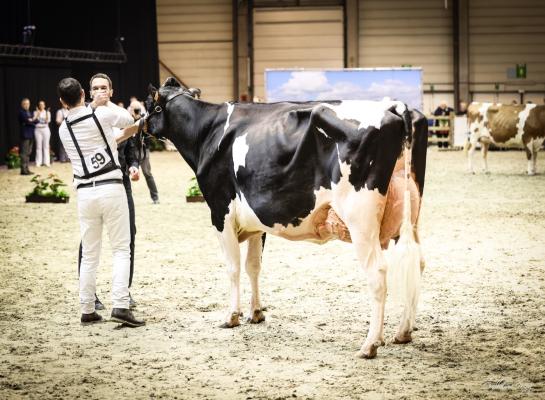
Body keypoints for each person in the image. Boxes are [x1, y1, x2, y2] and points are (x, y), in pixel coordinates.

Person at [57, 77, 144, 327]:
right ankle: (120, 305)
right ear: (84, 94)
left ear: (62, 101)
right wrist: (105, 104)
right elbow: (131, 120)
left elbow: (107, 141)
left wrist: (96, 106)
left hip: (84, 193)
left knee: (90, 255)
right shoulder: (101, 115)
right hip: (111, 188)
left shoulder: (64, 129)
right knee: (121, 249)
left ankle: (87, 309)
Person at [80, 73, 140, 310]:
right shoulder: (82, 117)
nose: (100, 91)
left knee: (128, 236)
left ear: (112, 91)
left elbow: (131, 147)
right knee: (89, 243)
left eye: (104, 87)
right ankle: (90, 296)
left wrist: (134, 166)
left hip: (121, 182)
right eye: (96, 88)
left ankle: (124, 291)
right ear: (89, 91)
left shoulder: (119, 115)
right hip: (94, 183)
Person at [130, 100, 160, 204]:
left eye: (137, 109)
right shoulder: (128, 120)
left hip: (143, 151)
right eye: (134, 109)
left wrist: (142, 121)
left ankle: (155, 198)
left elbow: (149, 135)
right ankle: (128, 199)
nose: (135, 111)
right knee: (128, 174)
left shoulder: (144, 121)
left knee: (147, 173)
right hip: (131, 152)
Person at [18, 98, 37, 175]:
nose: (27, 105)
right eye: (25, 104)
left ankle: (27, 169)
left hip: (31, 135)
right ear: (22, 104)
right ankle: (23, 170)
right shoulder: (21, 112)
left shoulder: (30, 112)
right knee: (24, 153)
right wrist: (32, 120)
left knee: (28, 152)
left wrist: (32, 120)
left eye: (28, 104)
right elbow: (27, 121)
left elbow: (36, 121)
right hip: (25, 135)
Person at [34, 100, 52, 167]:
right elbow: (35, 121)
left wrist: (47, 113)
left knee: (46, 146)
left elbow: (47, 121)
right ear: (39, 106)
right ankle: (38, 162)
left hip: (45, 129)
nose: (41, 106)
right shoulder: (35, 112)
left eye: (42, 104)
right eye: (40, 104)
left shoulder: (48, 112)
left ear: (44, 105)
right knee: (38, 147)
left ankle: (46, 162)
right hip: (38, 130)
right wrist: (38, 114)